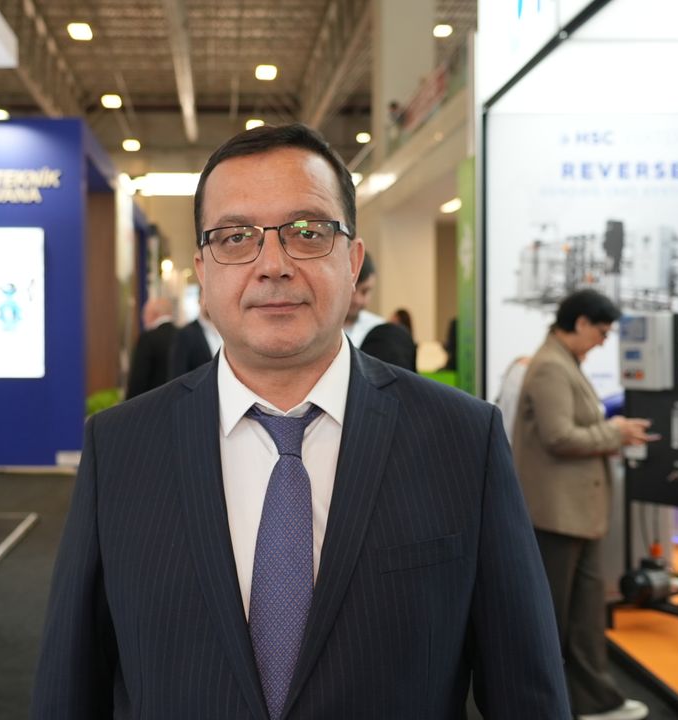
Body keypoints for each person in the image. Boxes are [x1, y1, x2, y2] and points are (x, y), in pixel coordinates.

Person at [33, 123, 570, 718]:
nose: (273, 265)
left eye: (308, 233)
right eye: (236, 237)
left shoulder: (464, 440)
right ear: (203, 273)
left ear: (353, 261)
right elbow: (71, 686)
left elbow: (526, 693)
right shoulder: (120, 447)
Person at [512, 289, 658, 720]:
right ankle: (546, 704)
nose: (603, 341)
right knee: (556, 617)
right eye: (601, 331)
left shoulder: (564, 363)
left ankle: (592, 700)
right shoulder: (550, 367)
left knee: (583, 614)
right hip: (557, 515)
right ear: (579, 323)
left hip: (576, 514)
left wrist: (611, 429)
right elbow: (559, 436)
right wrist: (615, 433)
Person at [344, 253, 417, 371]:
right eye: (353, 289)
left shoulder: (382, 334)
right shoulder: (321, 330)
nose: (357, 299)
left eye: (365, 291)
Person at [125, 296, 177, 399]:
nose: (143, 319)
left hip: (153, 402)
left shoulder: (148, 339)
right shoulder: (184, 336)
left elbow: (138, 380)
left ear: (154, 314)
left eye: (144, 314)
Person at [169, 293, 222, 379]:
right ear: (199, 301)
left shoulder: (226, 331)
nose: (210, 302)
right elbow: (178, 374)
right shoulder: (186, 334)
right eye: (206, 297)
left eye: (213, 297)